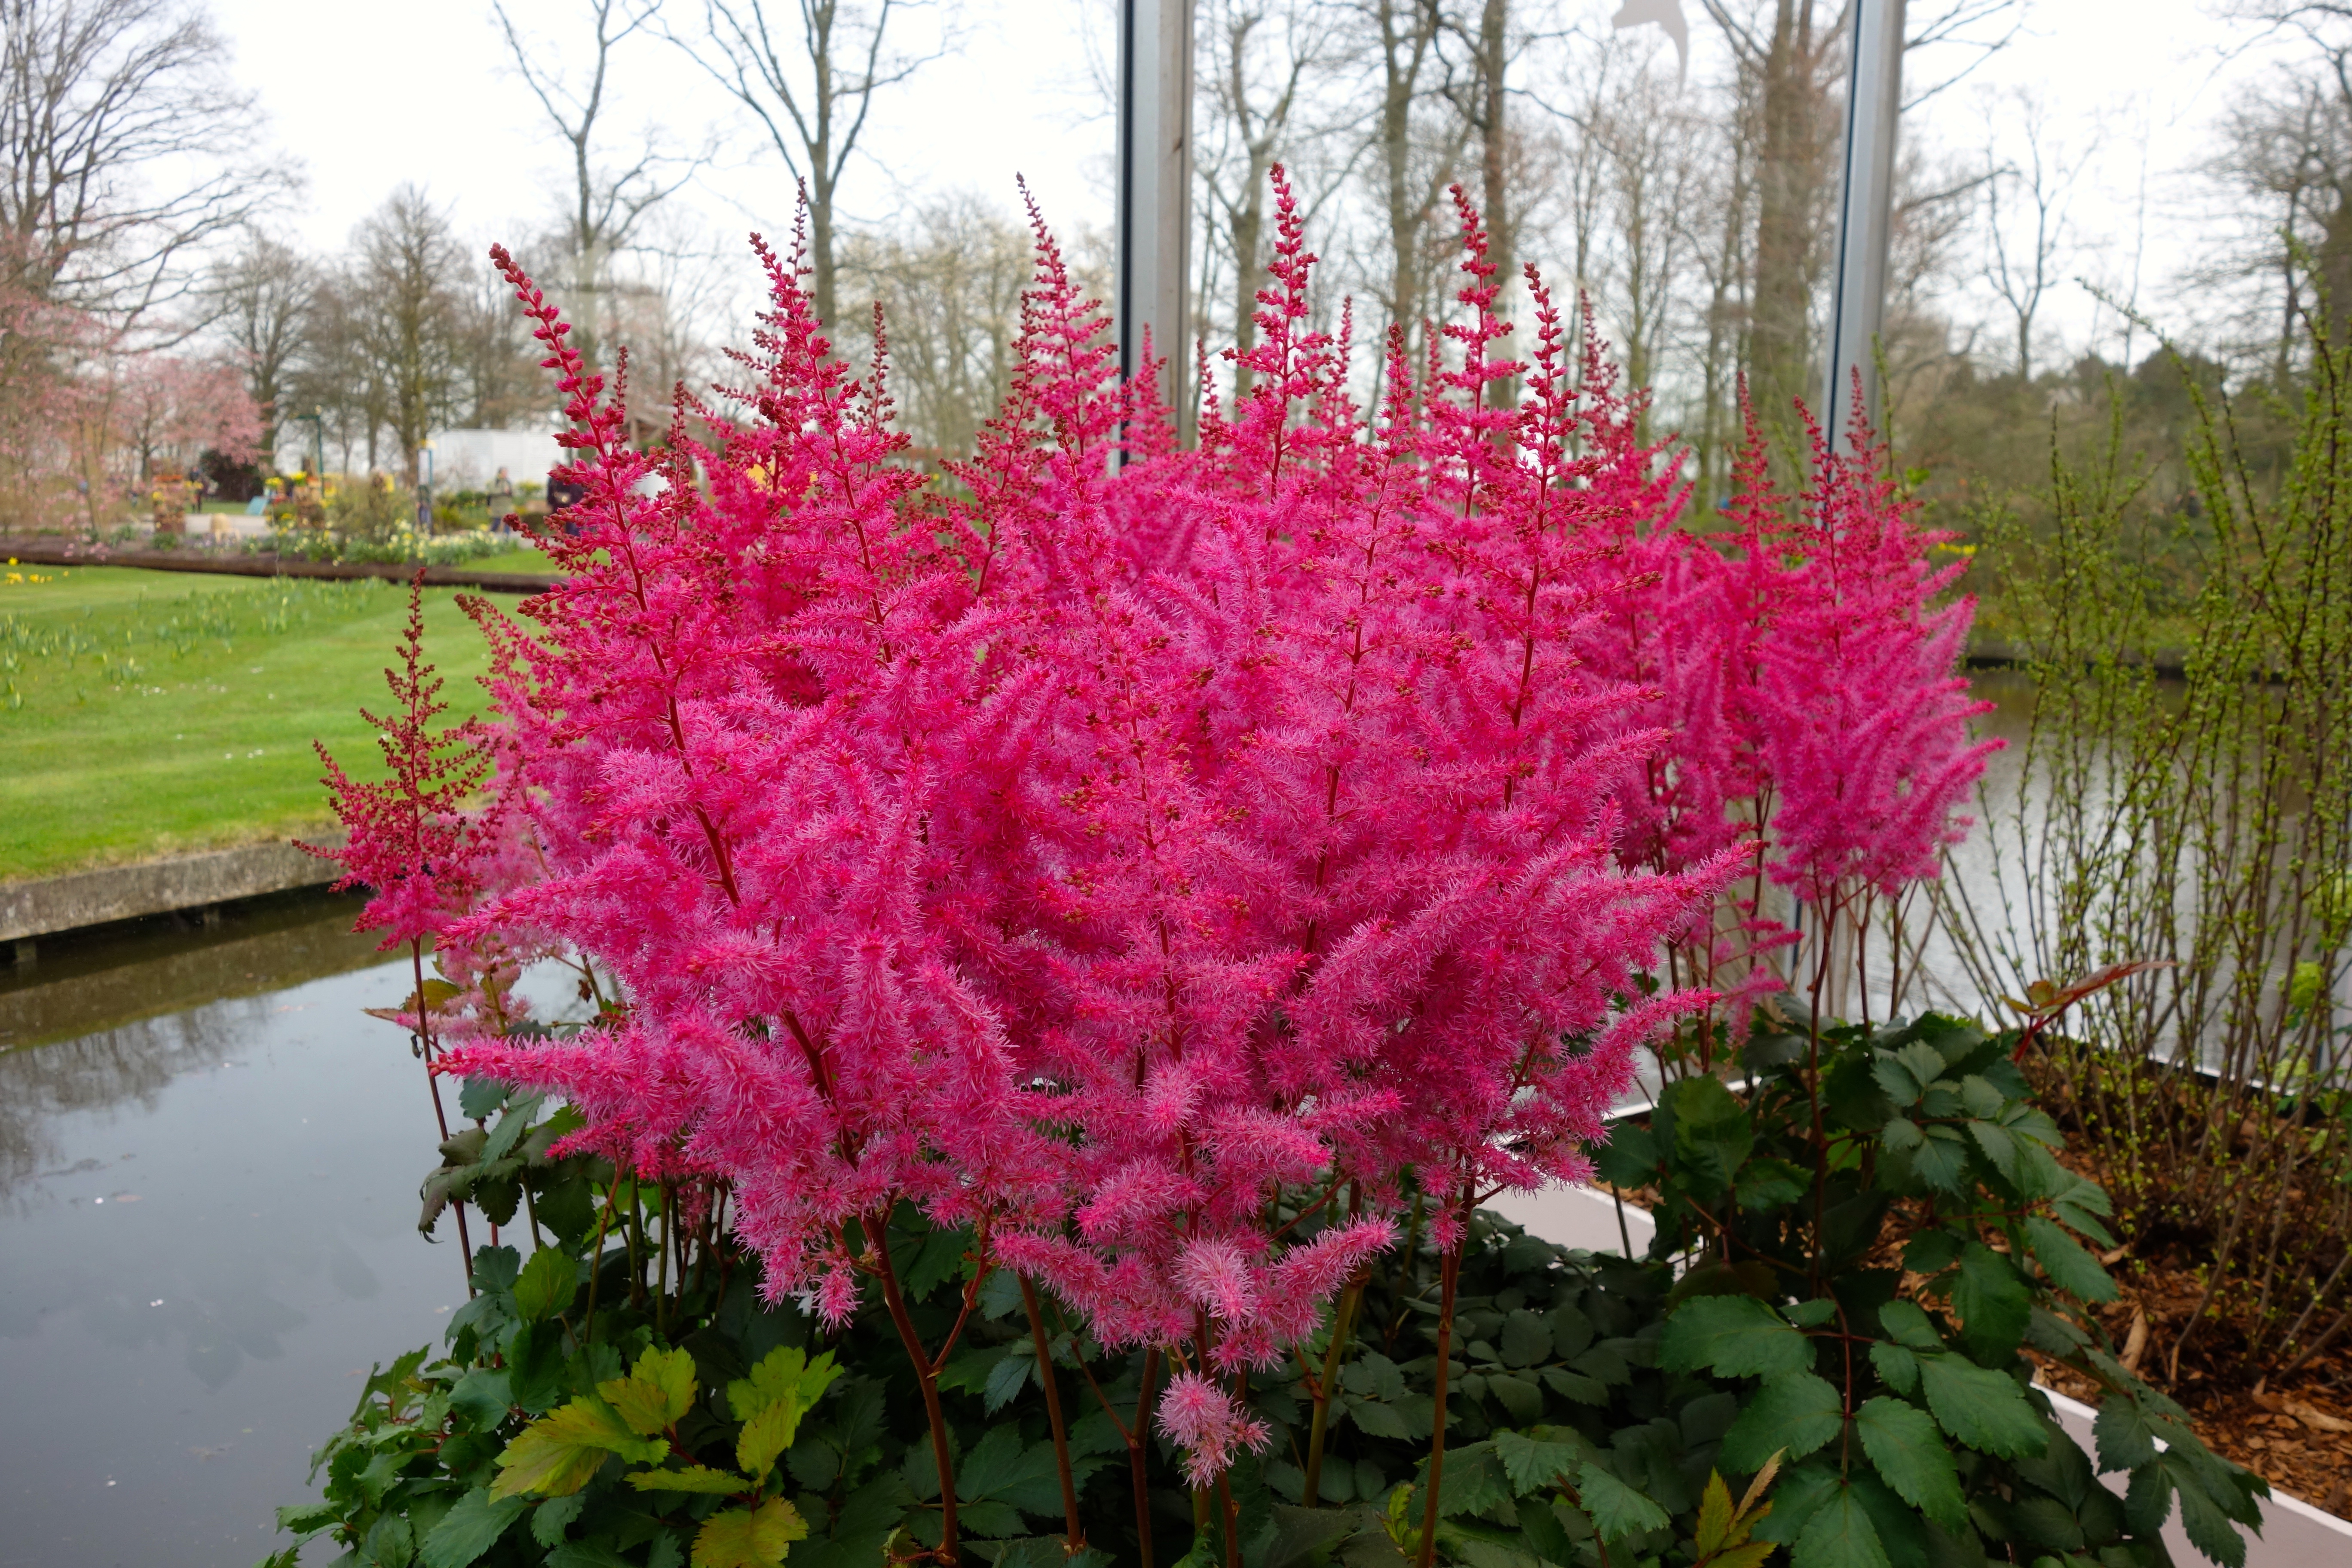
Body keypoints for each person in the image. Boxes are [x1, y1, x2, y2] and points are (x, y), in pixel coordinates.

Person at [489, 466, 514, 533]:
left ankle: (506, 540)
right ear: (500, 473)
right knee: (496, 523)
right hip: (497, 507)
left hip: (507, 507)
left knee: (508, 522)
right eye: (504, 472)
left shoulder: (508, 482)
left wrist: (510, 492)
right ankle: (489, 537)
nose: (505, 474)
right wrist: (503, 491)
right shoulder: (495, 481)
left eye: (506, 472)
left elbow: (514, 492)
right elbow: (492, 491)